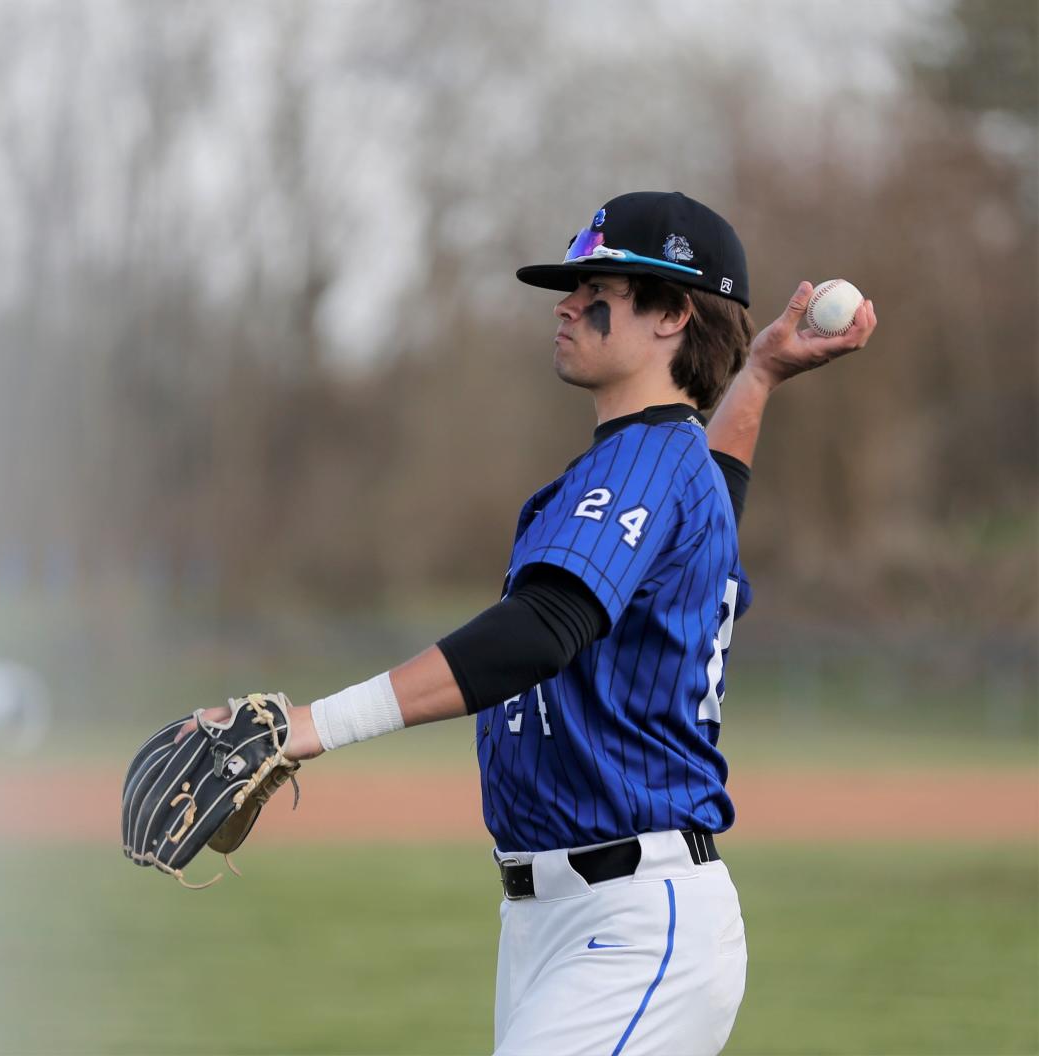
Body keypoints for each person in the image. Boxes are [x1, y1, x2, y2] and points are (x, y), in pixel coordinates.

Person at [196, 191, 876, 1055]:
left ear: (670, 312)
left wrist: (306, 728)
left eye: (597, 284)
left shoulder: (643, 463)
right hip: (558, 922)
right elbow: (718, 490)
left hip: (633, 923)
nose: (566, 302)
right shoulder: (669, 471)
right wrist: (761, 375)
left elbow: (539, 630)